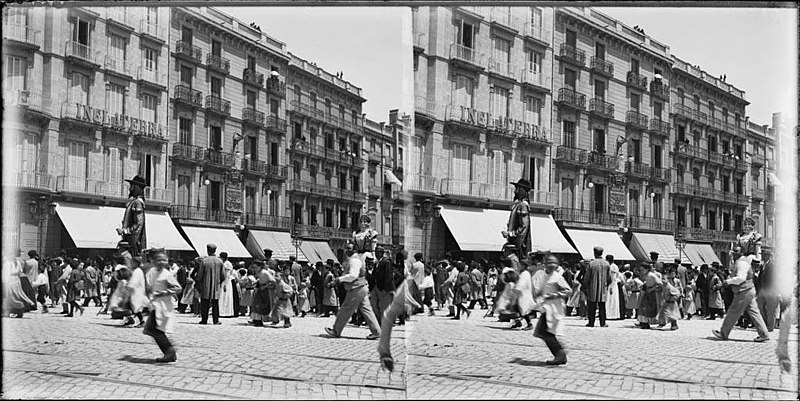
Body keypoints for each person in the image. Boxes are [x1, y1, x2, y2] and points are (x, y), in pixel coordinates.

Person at [712, 246, 770, 342]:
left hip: (743, 291)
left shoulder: (741, 263)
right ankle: (764, 334)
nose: (733, 253)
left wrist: (728, 282)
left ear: (740, 253)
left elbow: (740, 279)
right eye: (733, 251)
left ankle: (724, 333)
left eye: (735, 252)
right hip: (749, 290)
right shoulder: (741, 263)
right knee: (754, 313)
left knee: (733, 312)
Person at [324, 243, 381, 340]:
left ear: (354, 250)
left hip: (356, 288)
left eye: (349, 248)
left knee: (345, 309)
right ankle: (376, 331)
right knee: (367, 310)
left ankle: (336, 330)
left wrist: (339, 279)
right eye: (346, 248)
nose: (346, 250)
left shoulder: (354, 260)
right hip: (361, 287)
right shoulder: (353, 259)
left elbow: (353, 276)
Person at [531, 255, 572, 365]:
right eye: (548, 262)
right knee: (542, 331)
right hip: (546, 308)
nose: (550, 265)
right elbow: (542, 289)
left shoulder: (557, 277)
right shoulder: (544, 276)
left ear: (557, 265)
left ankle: (560, 353)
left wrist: (554, 295)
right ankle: (559, 352)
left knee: (544, 331)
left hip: (554, 308)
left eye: (553, 263)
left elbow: (568, 291)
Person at [143, 249, 181, 363]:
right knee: (152, 329)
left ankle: (170, 351)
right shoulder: (152, 272)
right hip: (155, 305)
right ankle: (169, 350)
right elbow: (148, 287)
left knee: (154, 330)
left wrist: (163, 292)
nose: (161, 262)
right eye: (158, 260)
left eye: (163, 260)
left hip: (163, 306)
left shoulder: (166, 274)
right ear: (153, 261)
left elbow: (178, 288)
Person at [117, 175, 148, 257]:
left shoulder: (137, 203)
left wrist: (124, 231)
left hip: (133, 246)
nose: (129, 189)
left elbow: (138, 224)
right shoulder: (133, 202)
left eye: (132, 186)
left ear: (137, 187)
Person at [502, 179, 532, 261]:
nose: (515, 191)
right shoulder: (517, 205)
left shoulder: (523, 205)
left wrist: (510, 234)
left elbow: (523, 227)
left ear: (521, 190)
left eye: (517, 189)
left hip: (519, 249)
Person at [195, 244, 225, 325]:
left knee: (205, 303)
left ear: (208, 250)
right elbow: (223, 276)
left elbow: (200, 275)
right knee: (215, 304)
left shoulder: (204, 261)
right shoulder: (220, 261)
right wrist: (218, 282)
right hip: (216, 286)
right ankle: (216, 320)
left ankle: (204, 320)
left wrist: (199, 283)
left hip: (206, 285)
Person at [582, 246, 612, 328]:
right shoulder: (607, 264)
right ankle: (603, 323)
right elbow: (610, 278)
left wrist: (586, 287)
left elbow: (586, 277)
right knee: (602, 306)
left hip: (592, 288)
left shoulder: (591, 264)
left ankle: (591, 322)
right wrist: (606, 285)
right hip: (603, 289)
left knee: (591, 306)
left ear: (594, 253)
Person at [2, 253, 35, 317]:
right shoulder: (17, 262)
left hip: (10, 280)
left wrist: (4, 282)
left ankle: (10, 310)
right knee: (17, 295)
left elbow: (5, 273)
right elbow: (20, 270)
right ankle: (19, 309)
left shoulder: (7, 263)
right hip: (17, 280)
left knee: (9, 296)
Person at [370, 246, 394, 325]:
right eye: (376, 252)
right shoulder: (377, 262)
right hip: (376, 286)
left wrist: (385, 289)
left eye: (378, 252)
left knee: (384, 306)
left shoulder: (386, 262)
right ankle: (378, 321)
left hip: (384, 287)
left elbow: (388, 276)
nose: (377, 254)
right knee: (373, 305)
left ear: (382, 253)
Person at [218, 252, 236, 318]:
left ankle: (225, 312)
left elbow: (227, 275)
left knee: (225, 297)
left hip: (226, 282)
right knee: (223, 297)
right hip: (224, 281)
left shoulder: (227, 264)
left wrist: (225, 284)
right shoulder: (224, 263)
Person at [605, 255, 621, 320]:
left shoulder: (613, 267)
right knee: (609, 299)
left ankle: (611, 314)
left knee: (612, 299)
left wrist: (611, 287)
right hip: (610, 284)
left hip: (612, 285)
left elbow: (613, 278)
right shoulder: (611, 266)